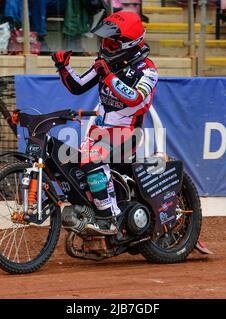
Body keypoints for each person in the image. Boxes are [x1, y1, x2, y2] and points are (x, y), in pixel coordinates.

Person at [51, 11, 158, 235]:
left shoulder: (147, 70)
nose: (106, 47)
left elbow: (134, 97)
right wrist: (63, 67)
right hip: (99, 132)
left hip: (128, 134)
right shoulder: (106, 63)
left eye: (111, 43)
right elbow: (78, 85)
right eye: (105, 42)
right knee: (69, 163)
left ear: (128, 44)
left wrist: (108, 75)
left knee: (91, 158)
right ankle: (88, 212)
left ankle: (108, 218)